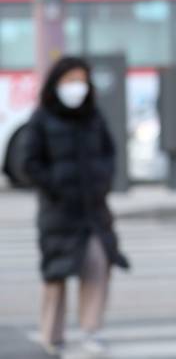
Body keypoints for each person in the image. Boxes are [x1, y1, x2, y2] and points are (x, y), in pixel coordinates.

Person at [22, 57, 129, 355]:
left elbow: (109, 152)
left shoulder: (93, 116)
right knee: (55, 275)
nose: (76, 87)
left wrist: (102, 182)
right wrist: (54, 187)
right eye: (70, 80)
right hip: (58, 212)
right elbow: (28, 162)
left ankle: (91, 331)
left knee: (98, 265)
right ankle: (51, 336)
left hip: (94, 211)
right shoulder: (41, 118)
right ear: (56, 83)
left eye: (81, 80)